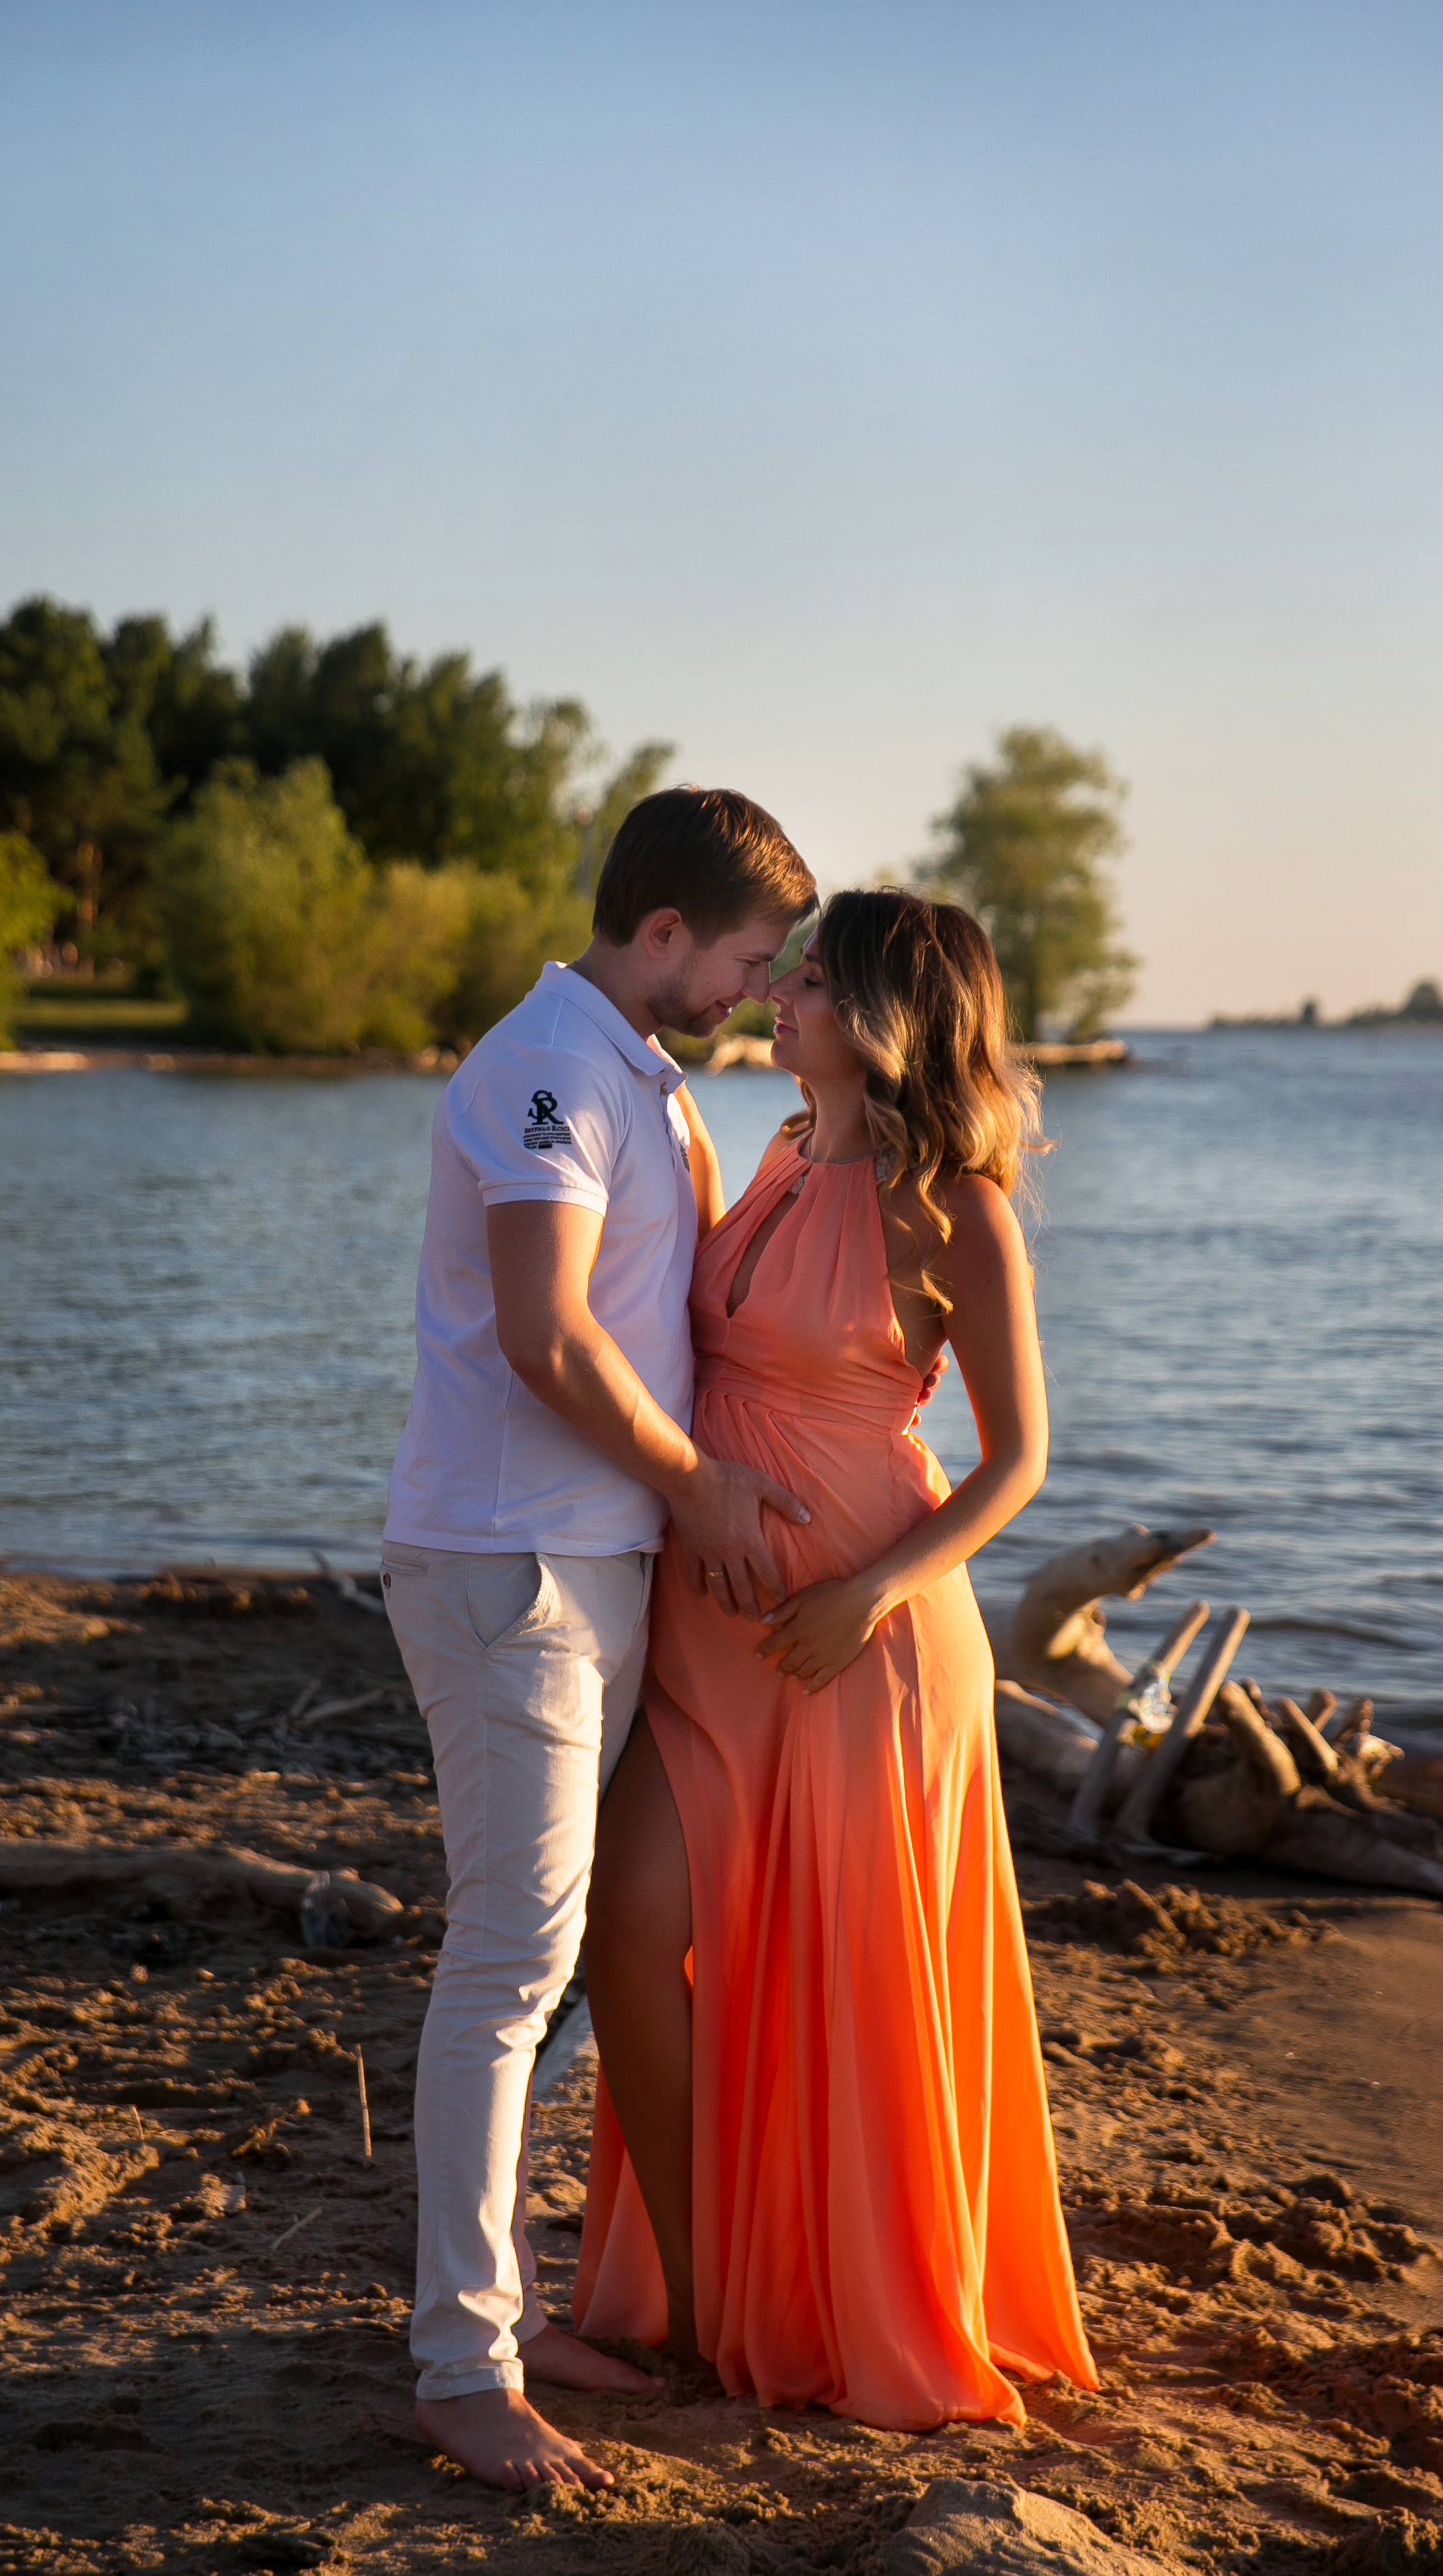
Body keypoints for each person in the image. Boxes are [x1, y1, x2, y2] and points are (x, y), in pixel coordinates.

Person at [576, 886, 1100, 2426]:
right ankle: (702, 2291)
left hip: (862, 1650)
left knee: (852, 1985)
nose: (776, 996)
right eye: (783, 974)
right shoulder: (780, 1153)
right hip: (714, 1634)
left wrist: (864, 1597)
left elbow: (1017, 1463)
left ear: (880, 1019)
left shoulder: (958, 1213)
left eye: (806, 981)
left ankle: (853, 2301)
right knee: (627, 1927)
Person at [381, 788, 818, 2491]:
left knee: (541, 1956)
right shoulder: (545, 1072)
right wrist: (702, 1488)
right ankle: (460, 2366)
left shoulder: (631, 1072)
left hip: (581, 1567)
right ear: (660, 932)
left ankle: (502, 2314)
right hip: (511, 1570)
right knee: (505, 1966)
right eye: (748, 960)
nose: (753, 992)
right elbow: (547, 1335)